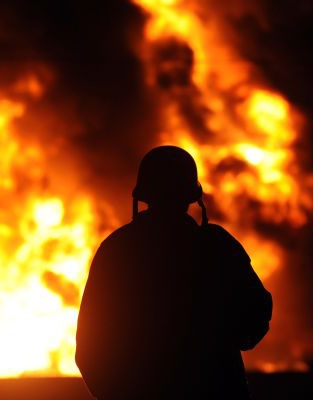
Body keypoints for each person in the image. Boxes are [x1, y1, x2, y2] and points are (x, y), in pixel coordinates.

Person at [75, 146, 273, 399]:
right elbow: (254, 323)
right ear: (192, 196)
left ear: (144, 196)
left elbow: (90, 350)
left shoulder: (116, 251)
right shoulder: (218, 247)